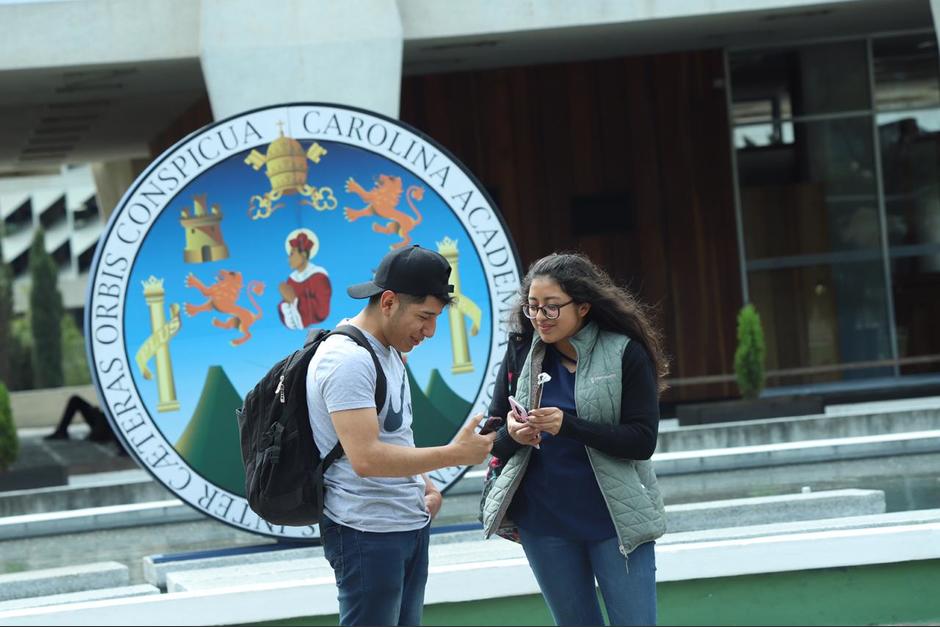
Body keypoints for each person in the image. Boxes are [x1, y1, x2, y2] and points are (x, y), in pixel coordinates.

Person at [308, 244, 496, 626]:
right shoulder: (347, 360)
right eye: (425, 317)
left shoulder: (388, 351)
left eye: (436, 318)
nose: (430, 331)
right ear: (389, 302)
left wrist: (425, 486)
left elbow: (395, 436)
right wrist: (455, 454)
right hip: (366, 532)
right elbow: (367, 458)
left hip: (404, 522)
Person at [480, 252, 670, 626]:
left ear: (583, 307)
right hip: (545, 522)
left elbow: (641, 440)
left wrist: (568, 426)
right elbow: (492, 439)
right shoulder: (521, 350)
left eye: (552, 308)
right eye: (533, 307)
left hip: (615, 519)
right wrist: (513, 433)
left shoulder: (625, 352)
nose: (539, 318)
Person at [278, 228, 332, 329]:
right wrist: (286, 301)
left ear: (303, 255)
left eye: (292, 254)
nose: (289, 258)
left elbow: (322, 311)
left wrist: (294, 299)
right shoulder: (292, 279)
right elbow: (287, 305)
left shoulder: (319, 276)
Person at [45, 394, 128, 455]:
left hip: (109, 425)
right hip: (102, 420)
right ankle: (61, 432)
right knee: (75, 400)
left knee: (109, 416)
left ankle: (124, 448)